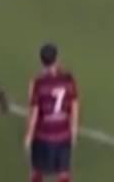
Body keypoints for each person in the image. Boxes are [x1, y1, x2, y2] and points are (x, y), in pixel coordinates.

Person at [25, 43, 79, 182]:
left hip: (43, 135)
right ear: (57, 58)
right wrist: (73, 131)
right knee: (63, 173)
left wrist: (29, 136)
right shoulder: (69, 80)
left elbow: (34, 112)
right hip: (63, 134)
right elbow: (75, 106)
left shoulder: (38, 83)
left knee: (37, 171)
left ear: (41, 60)